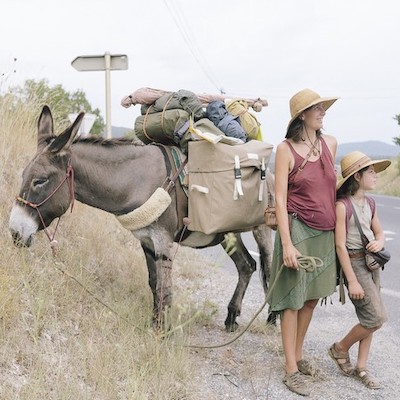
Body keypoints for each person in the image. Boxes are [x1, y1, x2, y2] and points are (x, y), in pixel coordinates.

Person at [268, 88, 339, 396]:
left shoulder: (330, 144)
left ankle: (297, 356)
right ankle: (290, 369)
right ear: (302, 116)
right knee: (291, 301)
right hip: (297, 231)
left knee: (311, 299)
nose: (322, 111)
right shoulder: (285, 150)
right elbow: (280, 199)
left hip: (325, 232)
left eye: (323, 107)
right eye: (316, 108)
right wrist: (287, 243)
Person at [329, 151, 391, 389]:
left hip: (372, 263)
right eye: (371, 172)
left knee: (370, 318)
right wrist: (352, 281)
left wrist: (380, 242)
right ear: (357, 176)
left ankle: (362, 367)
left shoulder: (371, 203)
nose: (375, 176)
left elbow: (379, 232)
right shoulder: (343, 206)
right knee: (375, 317)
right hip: (355, 264)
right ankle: (340, 348)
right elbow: (339, 245)